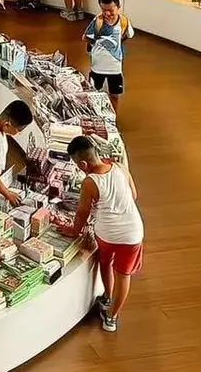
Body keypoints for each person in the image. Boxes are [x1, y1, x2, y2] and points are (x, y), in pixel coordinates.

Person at [62, 135, 144, 333]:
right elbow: (133, 195)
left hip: (106, 235)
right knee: (124, 275)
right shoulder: (120, 168)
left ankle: (107, 296)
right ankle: (111, 318)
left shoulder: (90, 182)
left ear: (82, 163)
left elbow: (82, 212)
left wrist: (74, 231)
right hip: (132, 233)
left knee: (105, 262)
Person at [84, 0, 134, 114]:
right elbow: (86, 37)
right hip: (97, 67)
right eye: (104, 10)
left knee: (115, 96)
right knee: (93, 95)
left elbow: (128, 35)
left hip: (115, 68)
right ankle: (94, 115)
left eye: (111, 10)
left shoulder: (124, 22)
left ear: (118, 7)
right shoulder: (97, 21)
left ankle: (112, 118)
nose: (107, 13)